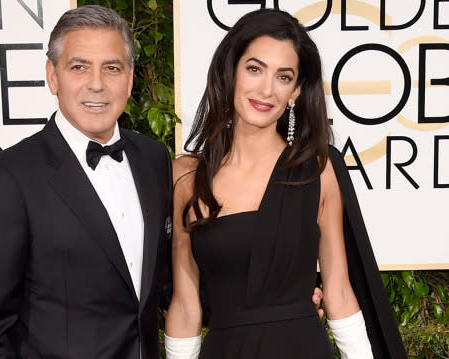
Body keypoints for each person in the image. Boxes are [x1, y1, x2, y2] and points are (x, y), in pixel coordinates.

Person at [164, 8, 406, 359]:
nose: (266, 89)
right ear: (230, 71)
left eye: (283, 77)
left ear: (295, 91)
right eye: (254, 69)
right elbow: (185, 307)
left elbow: (338, 292)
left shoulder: (318, 170)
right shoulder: (186, 177)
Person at [0, 5, 173, 359]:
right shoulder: (6, 180)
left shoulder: (154, 159)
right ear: (53, 75)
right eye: (79, 67)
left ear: (131, 77)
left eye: (112, 68)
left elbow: (164, 286)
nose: (96, 84)